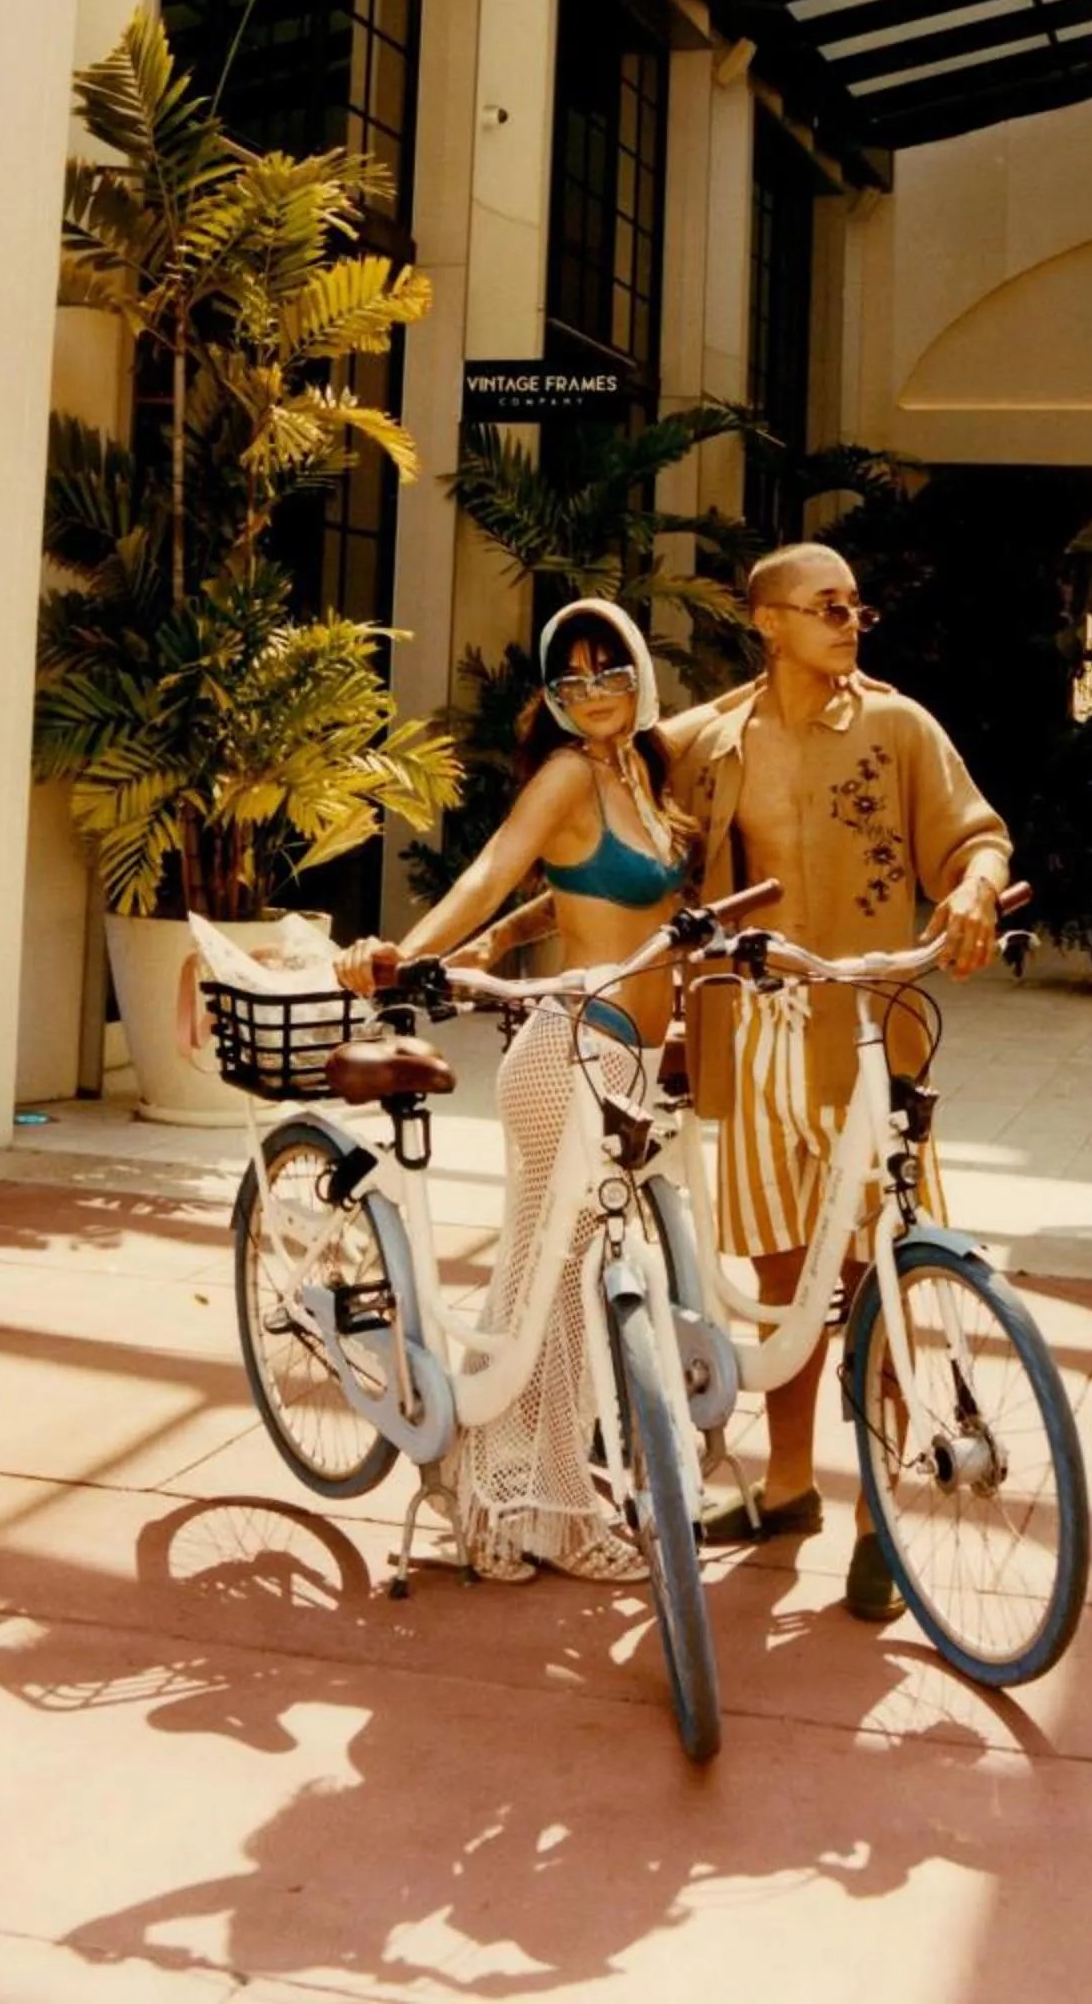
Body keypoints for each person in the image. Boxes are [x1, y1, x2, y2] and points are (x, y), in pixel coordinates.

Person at [659, 540, 1012, 1623]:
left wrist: (972, 894)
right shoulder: (709, 745)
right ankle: (787, 1487)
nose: (849, 620)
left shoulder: (899, 727)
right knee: (781, 1279)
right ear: (764, 621)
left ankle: (875, 1521)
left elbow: (976, 837)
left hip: (868, 1036)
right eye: (825, 606)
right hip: (757, 1035)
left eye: (858, 605)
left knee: (883, 1276)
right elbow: (616, 800)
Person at [337, 597, 692, 1585]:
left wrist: (512, 934)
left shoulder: (644, 776)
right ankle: (549, 1514)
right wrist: (405, 952)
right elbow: (495, 866)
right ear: (550, 696)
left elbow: (582, 889)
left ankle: (496, 1496)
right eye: (568, 679)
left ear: (638, 674)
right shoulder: (570, 773)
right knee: (564, 1301)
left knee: (549, 1293)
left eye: (608, 670)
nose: (592, 693)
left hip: (622, 1065)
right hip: (569, 1056)